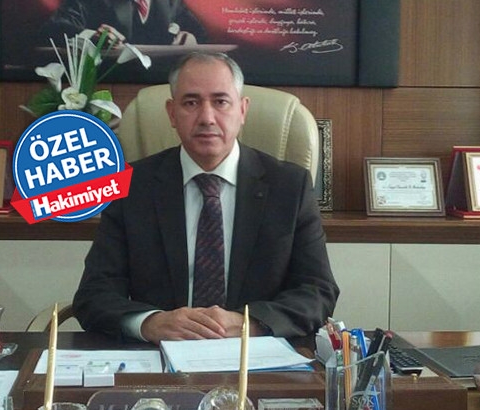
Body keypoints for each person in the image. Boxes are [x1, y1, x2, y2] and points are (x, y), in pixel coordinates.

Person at [73, 52, 339, 345]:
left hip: (255, 356)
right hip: (159, 356)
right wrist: (150, 323)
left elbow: (317, 291)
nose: (207, 118)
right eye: (191, 103)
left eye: (221, 102)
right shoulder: (132, 187)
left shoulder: (289, 186)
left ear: (242, 110)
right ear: (172, 113)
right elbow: (94, 294)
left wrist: (248, 324)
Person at [40, 0, 206, 46]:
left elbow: (202, 36)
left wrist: (191, 40)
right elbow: (52, 30)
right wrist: (92, 38)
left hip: (159, 86)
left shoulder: (171, 1)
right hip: (108, 85)